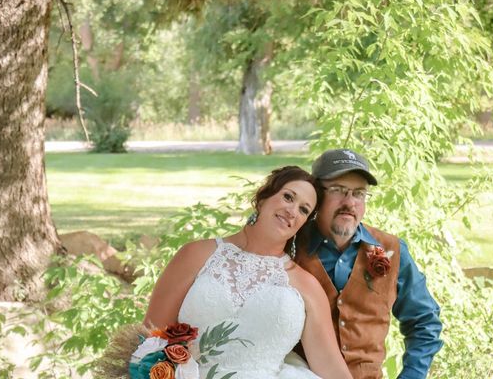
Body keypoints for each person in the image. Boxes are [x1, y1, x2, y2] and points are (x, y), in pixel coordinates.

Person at [144, 166, 352, 379]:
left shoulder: (306, 286)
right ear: (262, 199)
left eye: (303, 210)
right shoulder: (196, 254)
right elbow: (150, 337)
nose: (292, 211)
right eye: (288, 197)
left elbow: (332, 369)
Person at [295, 149, 443, 379]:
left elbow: (424, 321)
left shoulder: (393, 250)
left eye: (359, 193)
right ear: (316, 193)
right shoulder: (290, 246)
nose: (350, 202)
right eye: (338, 190)